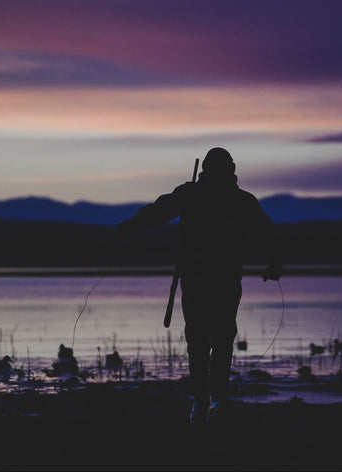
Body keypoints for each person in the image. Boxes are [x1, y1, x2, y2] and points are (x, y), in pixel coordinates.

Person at [116, 147, 282, 424]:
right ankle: (207, 399)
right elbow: (156, 212)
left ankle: (210, 400)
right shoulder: (209, 196)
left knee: (213, 339)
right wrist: (127, 228)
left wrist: (275, 262)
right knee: (207, 339)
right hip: (203, 280)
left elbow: (267, 232)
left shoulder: (214, 197)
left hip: (218, 280)